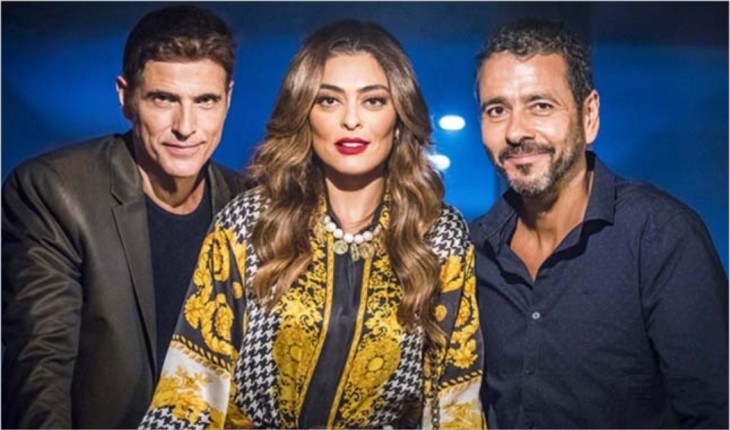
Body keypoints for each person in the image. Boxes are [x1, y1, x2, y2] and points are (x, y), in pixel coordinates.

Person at [139, 19, 484, 429]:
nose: (351, 120)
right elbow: (189, 392)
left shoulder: (438, 235)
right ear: (304, 112)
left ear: (399, 114)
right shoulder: (250, 222)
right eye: (329, 100)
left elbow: (455, 404)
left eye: (373, 101)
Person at [470, 18, 728, 429]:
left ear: (588, 115)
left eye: (541, 105)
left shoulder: (659, 236)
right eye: (497, 110)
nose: (516, 131)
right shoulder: (474, 250)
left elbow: (716, 412)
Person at [1, 6, 242, 429]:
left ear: (228, 100)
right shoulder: (55, 192)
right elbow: (39, 365)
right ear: (125, 97)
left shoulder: (247, 204)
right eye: (164, 99)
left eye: (205, 101)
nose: (186, 126)